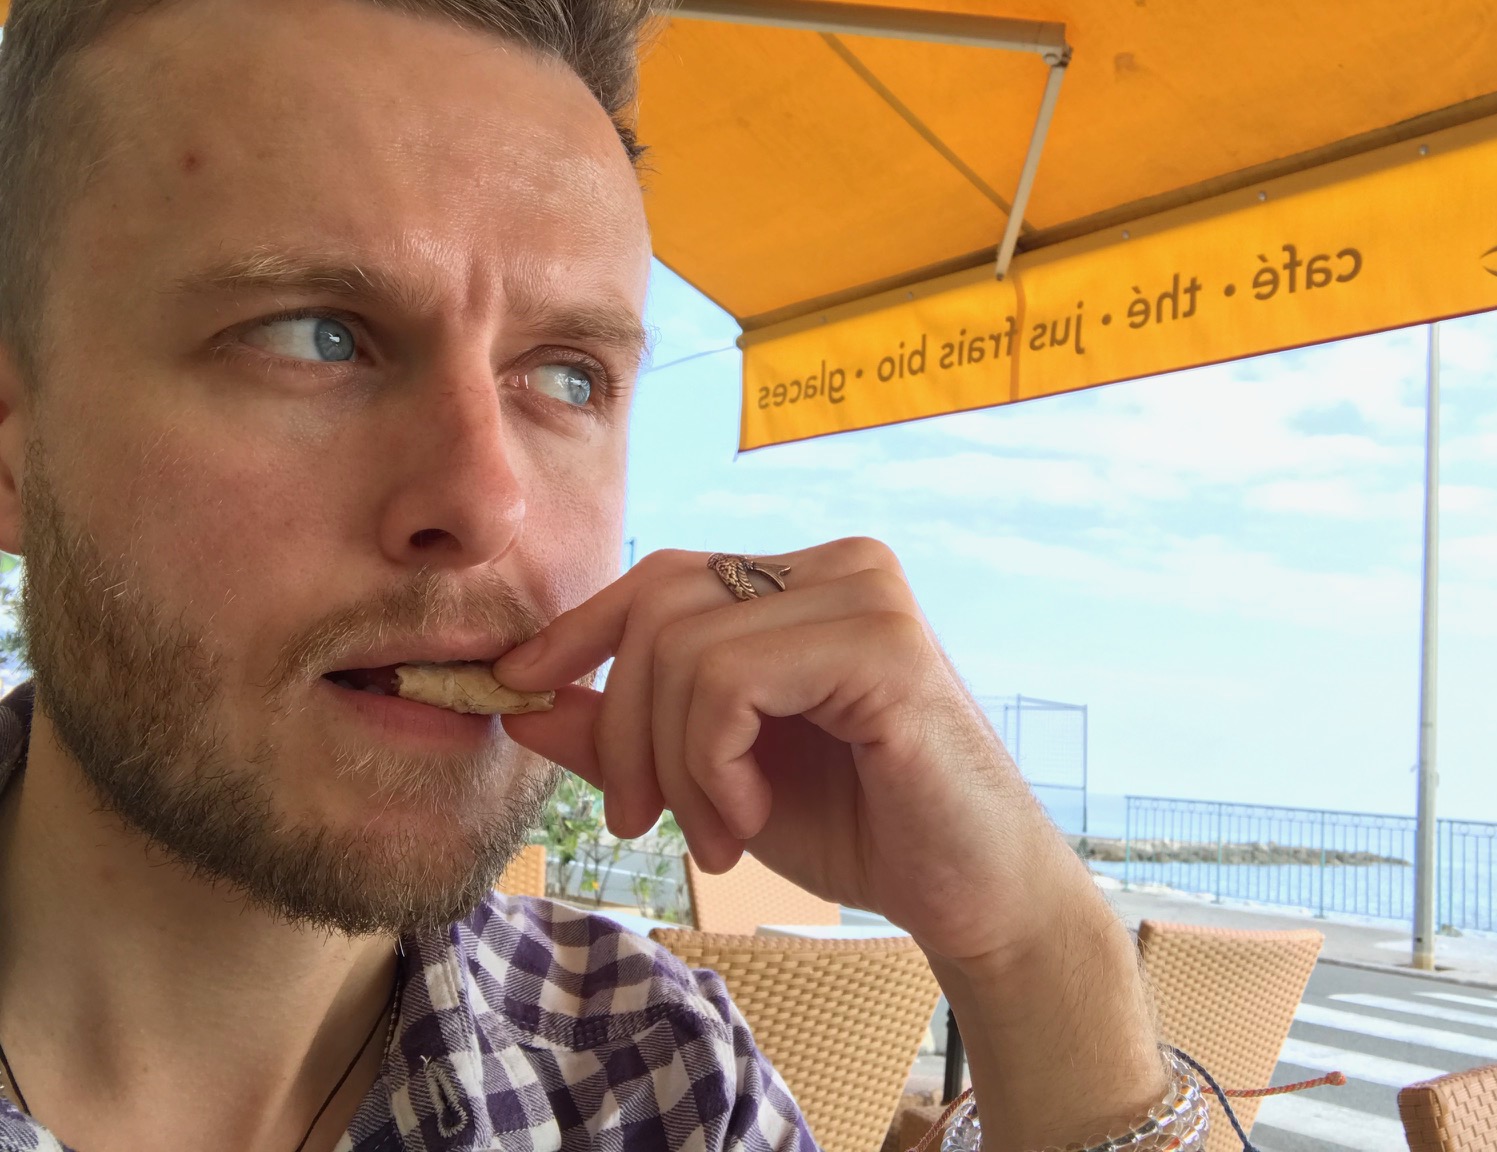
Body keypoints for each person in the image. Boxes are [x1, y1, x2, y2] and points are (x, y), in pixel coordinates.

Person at [0, 1, 1207, 1149]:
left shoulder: (661, 1085)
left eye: (567, 376)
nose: (488, 504)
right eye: (315, 335)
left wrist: (1040, 955)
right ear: (13, 442)